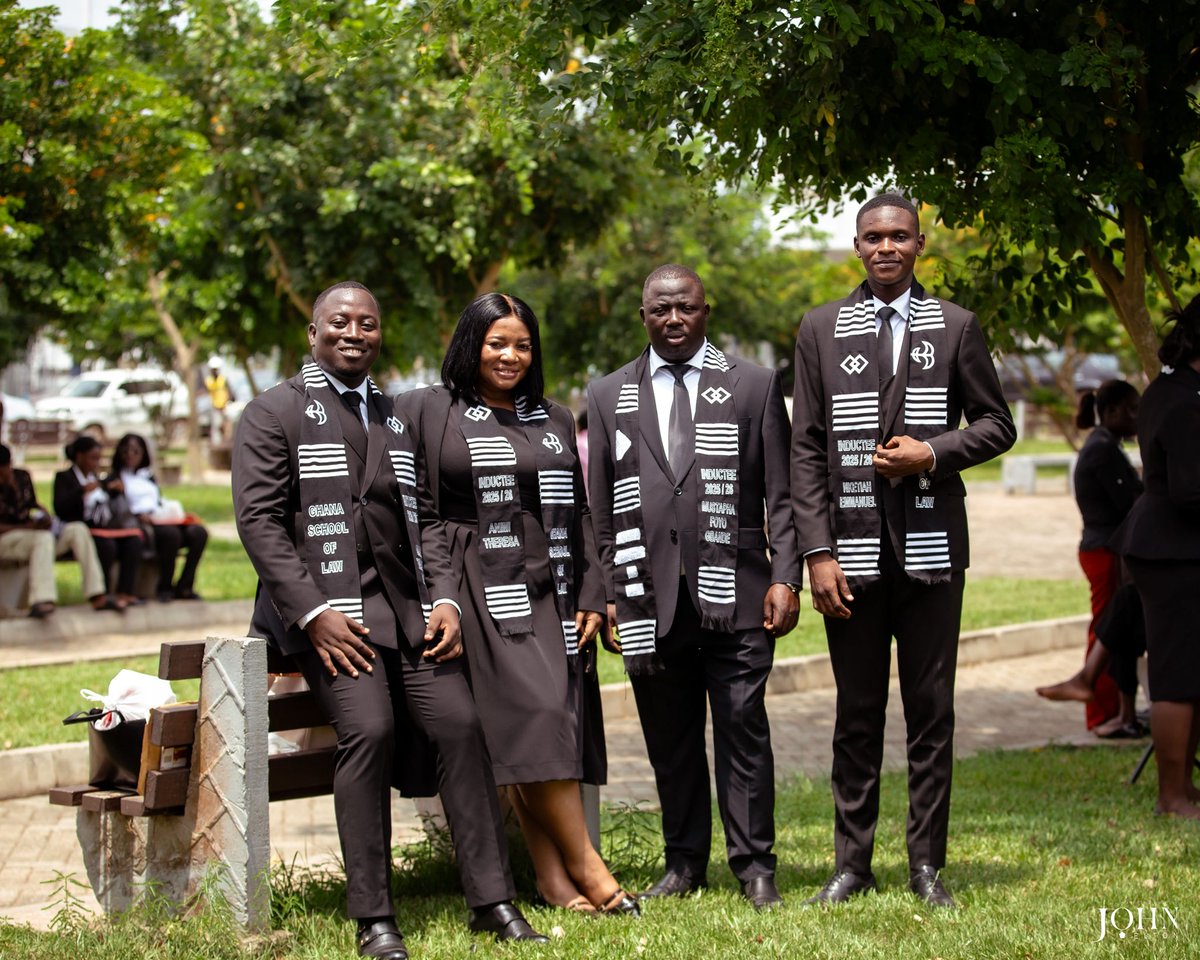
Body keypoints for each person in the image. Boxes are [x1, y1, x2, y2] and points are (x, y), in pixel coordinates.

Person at [233, 281, 546, 960]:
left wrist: (446, 600)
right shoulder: (272, 412)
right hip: (330, 616)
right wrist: (313, 613)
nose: (355, 333)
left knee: (460, 727)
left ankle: (492, 901)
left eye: (367, 324)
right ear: (313, 332)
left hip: (405, 611)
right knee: (369, 731)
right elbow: (258, 523)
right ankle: (374, 916)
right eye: (340, 322)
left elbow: (425, 518)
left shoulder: (393, 414)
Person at [791, 193, 1016, 908]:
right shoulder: (821, 328)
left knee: (931, 710)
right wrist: (816, 552)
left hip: (932, 548)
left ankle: (927, 866)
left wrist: (934, 452)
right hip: (849, 553)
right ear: (857, 246)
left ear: (920, 244)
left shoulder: (956, 326)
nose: (885, 247)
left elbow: (997, 423)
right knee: (856, 713)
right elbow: (807, 448)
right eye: (873, 237)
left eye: (899, 236)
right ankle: (852, 864)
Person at [400, 292, 638, 917]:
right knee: (536, 716)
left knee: (537, 729)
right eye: (496, 343)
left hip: (551, 585)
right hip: (477, 583)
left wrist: (593, 589)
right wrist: (441, 590)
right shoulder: (432, 409)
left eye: (522, 345)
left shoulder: (552, 416)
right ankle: (591, 869)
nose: (510, 356)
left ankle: (554, 881)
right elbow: (420, 508)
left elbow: (579, 509)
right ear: (470, 344)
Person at [587, 264, 801, 911]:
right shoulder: (608, 394)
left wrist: (786, 575)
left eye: (686, 307)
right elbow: (600, 509)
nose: (674, 319)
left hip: (738, 591)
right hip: (647, 596)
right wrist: (609, 594)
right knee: (670, 740)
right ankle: (683, 863)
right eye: (661, 309)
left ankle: (755, 866)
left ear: (707, 312)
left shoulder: (754, 385)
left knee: (743, 727)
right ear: (643, 317)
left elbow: (782, 494)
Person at [1110, 294, 1200, 819]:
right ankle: (1172, 796)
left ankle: (1185, 788)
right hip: (1172, 551)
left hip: (1169, 546)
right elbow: (1191, 491)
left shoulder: (1172, 389)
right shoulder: (1184, 401)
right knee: (1176, 675)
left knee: (1190, 672)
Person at [1036, 381, 1144, 736]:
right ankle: (1101, 714)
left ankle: (1118, 713)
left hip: (1105, 548)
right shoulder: (1102, 450)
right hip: (1106, 551)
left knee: (1113, 626)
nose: (1137, 417)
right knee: (1108, 628)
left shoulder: (1106, 445)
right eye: (1132, 410)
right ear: (1110, 411)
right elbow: (1131, 505)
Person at [0, 443, 123, 616]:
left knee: (77, 529)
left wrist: (43, 516)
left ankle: (97, 594)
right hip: (8, 540)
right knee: (42, 538)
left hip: (36, 536)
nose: (6, 474)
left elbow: (32, 505)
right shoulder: (63, 477)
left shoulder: (21, 477)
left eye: (6, 468)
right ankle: (42, 599)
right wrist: (25, 527)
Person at [108, 433, 208, 603]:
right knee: (171, 535)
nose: (130, 455)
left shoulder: (147, 476)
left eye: (136, 451)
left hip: (160, 516)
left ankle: (185, 586)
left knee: (198, 533)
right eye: (126, 451)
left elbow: (156, 500)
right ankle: (164, 587)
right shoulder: (116, 479)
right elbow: (117, 509)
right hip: (139, 523)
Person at [53, 435, 146, 606]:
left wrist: (115, 491)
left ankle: (125, 592)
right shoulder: (64, 478)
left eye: (98, 459)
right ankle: (103, 592)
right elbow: (60, 508)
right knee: (106, 546)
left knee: (133, 542)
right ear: (80, 456)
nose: (96, 463)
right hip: (79, 529)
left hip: (105, 527)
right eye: (92, 458)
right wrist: (81, 492)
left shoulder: (99, 479)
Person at [204, 357, 233, 445]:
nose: (214, 371)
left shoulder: (223, 379)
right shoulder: (208, 380)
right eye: (213, 369)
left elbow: (229, 391)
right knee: (216, 426)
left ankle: (227, 442)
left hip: (225, 406)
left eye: (216, 369)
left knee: (227, 425)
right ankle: (218, 445)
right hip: (215, 407)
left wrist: (227, 402)